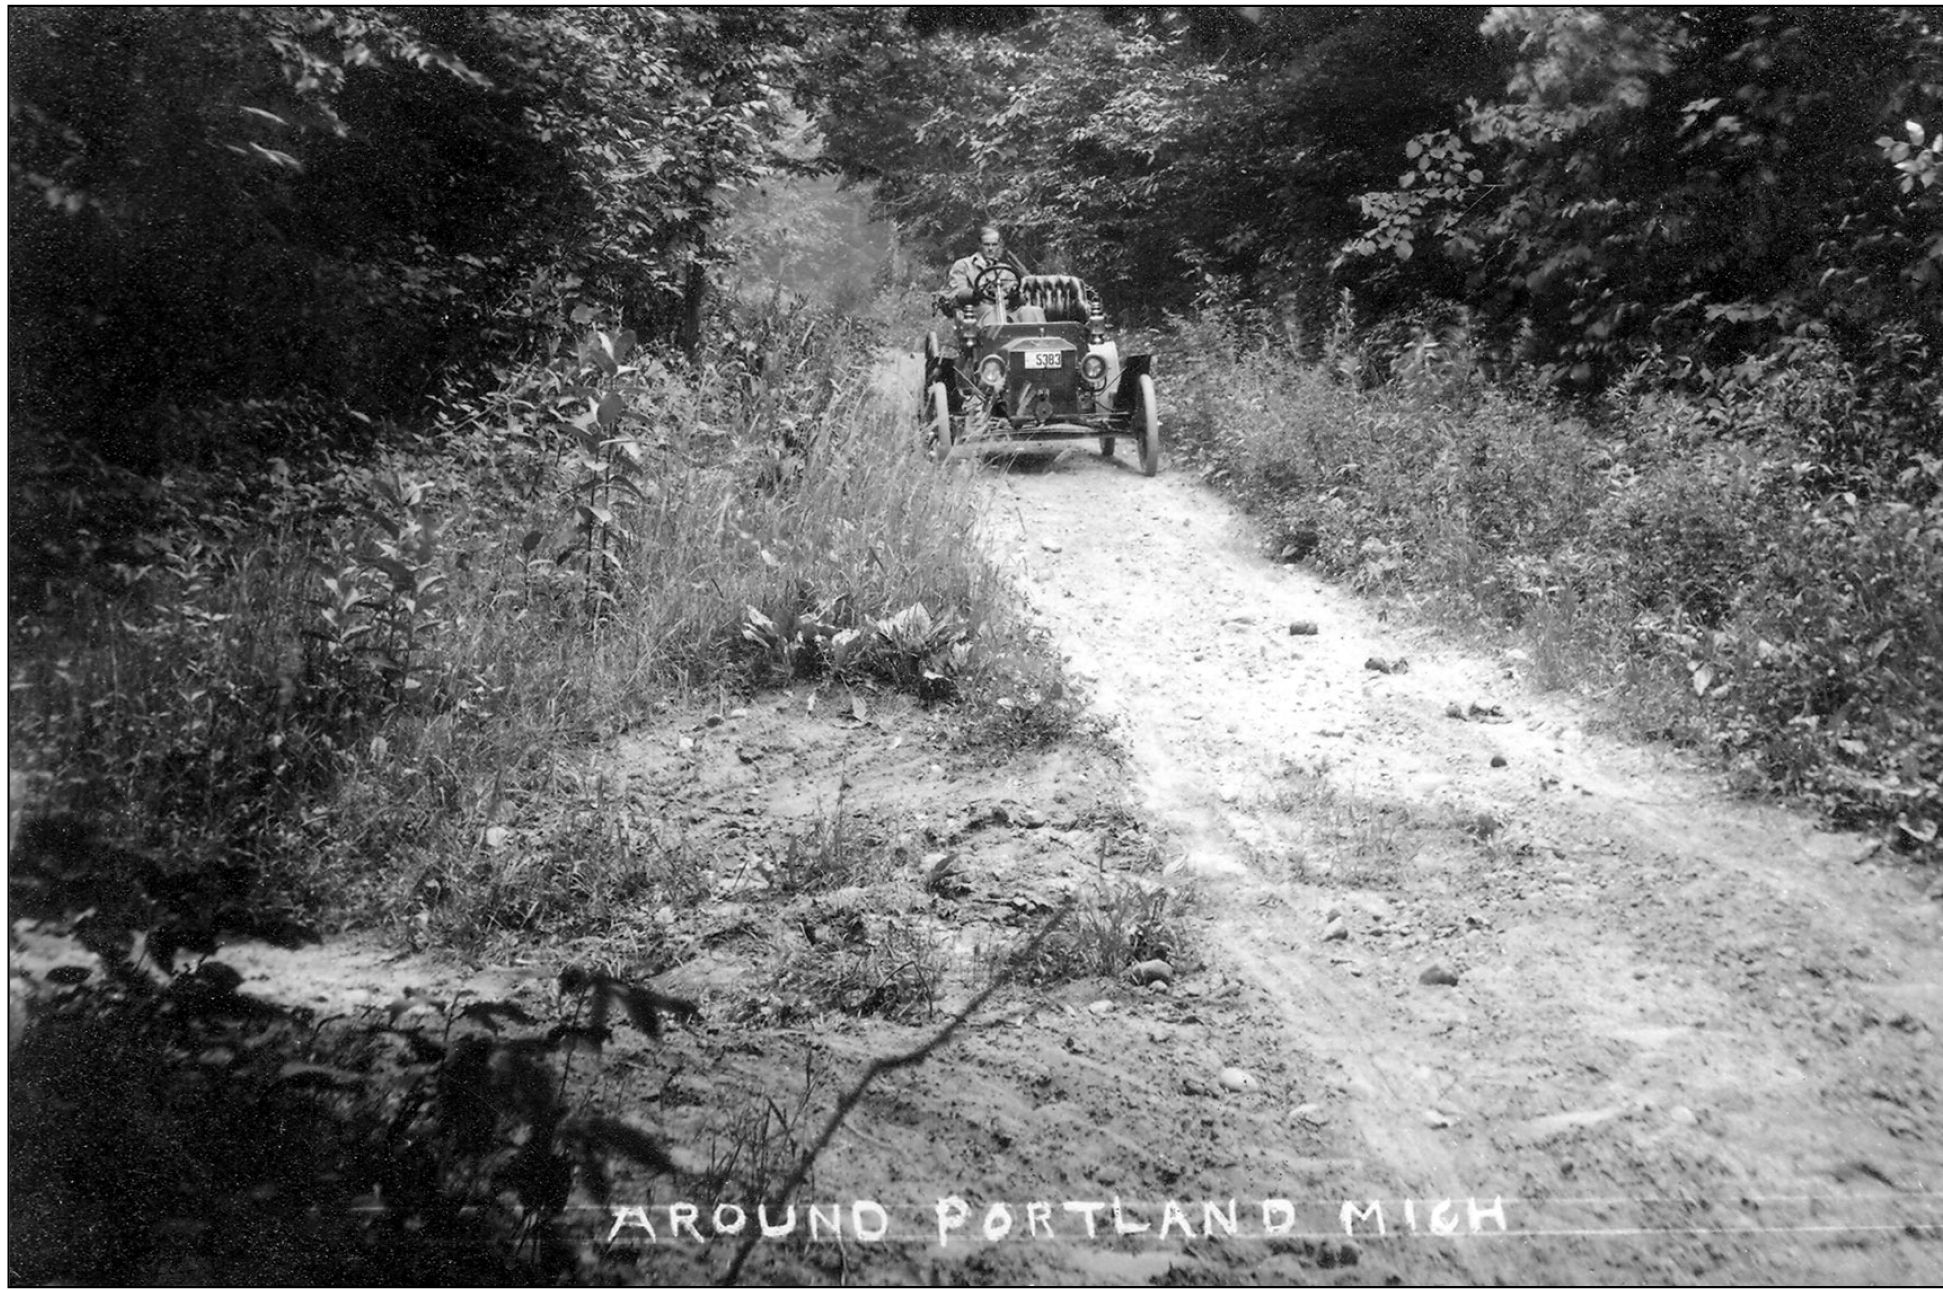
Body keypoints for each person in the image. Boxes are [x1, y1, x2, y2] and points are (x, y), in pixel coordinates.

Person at [939, 225, 1042, 327]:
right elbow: (956, 293)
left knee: (1032, 311)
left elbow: (1018, 296)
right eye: (987, 245)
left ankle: (1041, 340)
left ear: (998, 246)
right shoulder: (963, 265)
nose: (990, 249)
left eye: (994, 245)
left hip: (1006, 311)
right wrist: (975, 294)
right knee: (991, 311)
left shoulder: (1005, 270)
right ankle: (995, 341)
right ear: (979, 245)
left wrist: (1015, 295)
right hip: (977, 313)